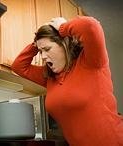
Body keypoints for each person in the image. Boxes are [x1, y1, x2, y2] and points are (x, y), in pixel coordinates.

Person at [11, 16, 123, 146]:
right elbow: (18, 66)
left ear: (64, 44)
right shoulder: (50, 78)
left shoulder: (91, 62)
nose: (42, 56)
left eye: (47, 49)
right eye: (40, 51)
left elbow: (90, 26)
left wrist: (63, 27)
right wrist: (36, 44)